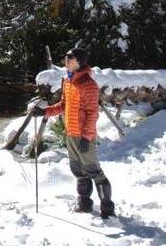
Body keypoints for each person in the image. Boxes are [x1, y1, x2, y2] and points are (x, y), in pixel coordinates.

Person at [33, 48, 115, 218]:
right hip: (71, 132)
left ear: (79, 61)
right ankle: (84, 203)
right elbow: (64, 106)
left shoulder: (88, 84)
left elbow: (93, 113)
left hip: (84, 136)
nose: (66, 60)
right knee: (78, 170)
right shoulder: (68, 81)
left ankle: (107, 208)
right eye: (66, 57)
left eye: (70, 57)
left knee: (93, 170)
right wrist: (45, 111)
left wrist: (86, 137)